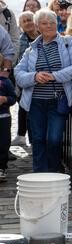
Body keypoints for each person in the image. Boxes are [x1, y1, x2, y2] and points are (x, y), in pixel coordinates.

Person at [14, 8, 72, 173]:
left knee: (53, 139)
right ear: (38, 26)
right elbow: (18, 74)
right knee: (37, 140)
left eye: (52, 22)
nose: (49, 26)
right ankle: (39, 173)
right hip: (35, 102)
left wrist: (54, 76)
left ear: (57, 24)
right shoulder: (31, 49)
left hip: (57, 100)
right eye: (45, 23)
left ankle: (54, 172)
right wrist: (34, 76)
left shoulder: (68, 42)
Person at [11, 11, 40, 147]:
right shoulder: (21, 40)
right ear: (20, 26)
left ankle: (34, 139)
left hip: (42, 78)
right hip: (26, 80)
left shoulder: (43, 36)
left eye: (30, 20)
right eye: (24, 21)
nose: (28, 23)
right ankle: (26, 137)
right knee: (25, 108)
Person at [0, 52, 16, 182]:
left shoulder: (5, 82)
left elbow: (13, 98)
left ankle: (1, 168)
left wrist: (5, 99)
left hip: (3, 118)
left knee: (3, 143)